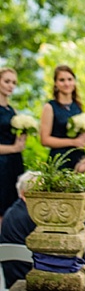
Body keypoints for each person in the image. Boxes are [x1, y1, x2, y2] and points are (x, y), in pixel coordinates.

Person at [40, 65, 85, 170]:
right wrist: (73, 142)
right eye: (62, 80)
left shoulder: (77, 106)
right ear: (56, 83)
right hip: (59, 160)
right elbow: (45, 140)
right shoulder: (50, 107)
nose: (67, 83)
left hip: (78, 159)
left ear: (74, 82)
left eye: (70, 79)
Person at [0, 171, 39, 286]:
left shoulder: (12, 211)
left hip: (11, 277)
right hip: (29, 277)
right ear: (24, 193)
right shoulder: (31, 216)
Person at [0, 68, 26, 224]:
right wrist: (13, 148)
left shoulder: (12, 110)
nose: (11, 86)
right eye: (7, 81)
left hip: (14, 163)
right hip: (1, 164)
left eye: (14, 82)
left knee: (12, 206)